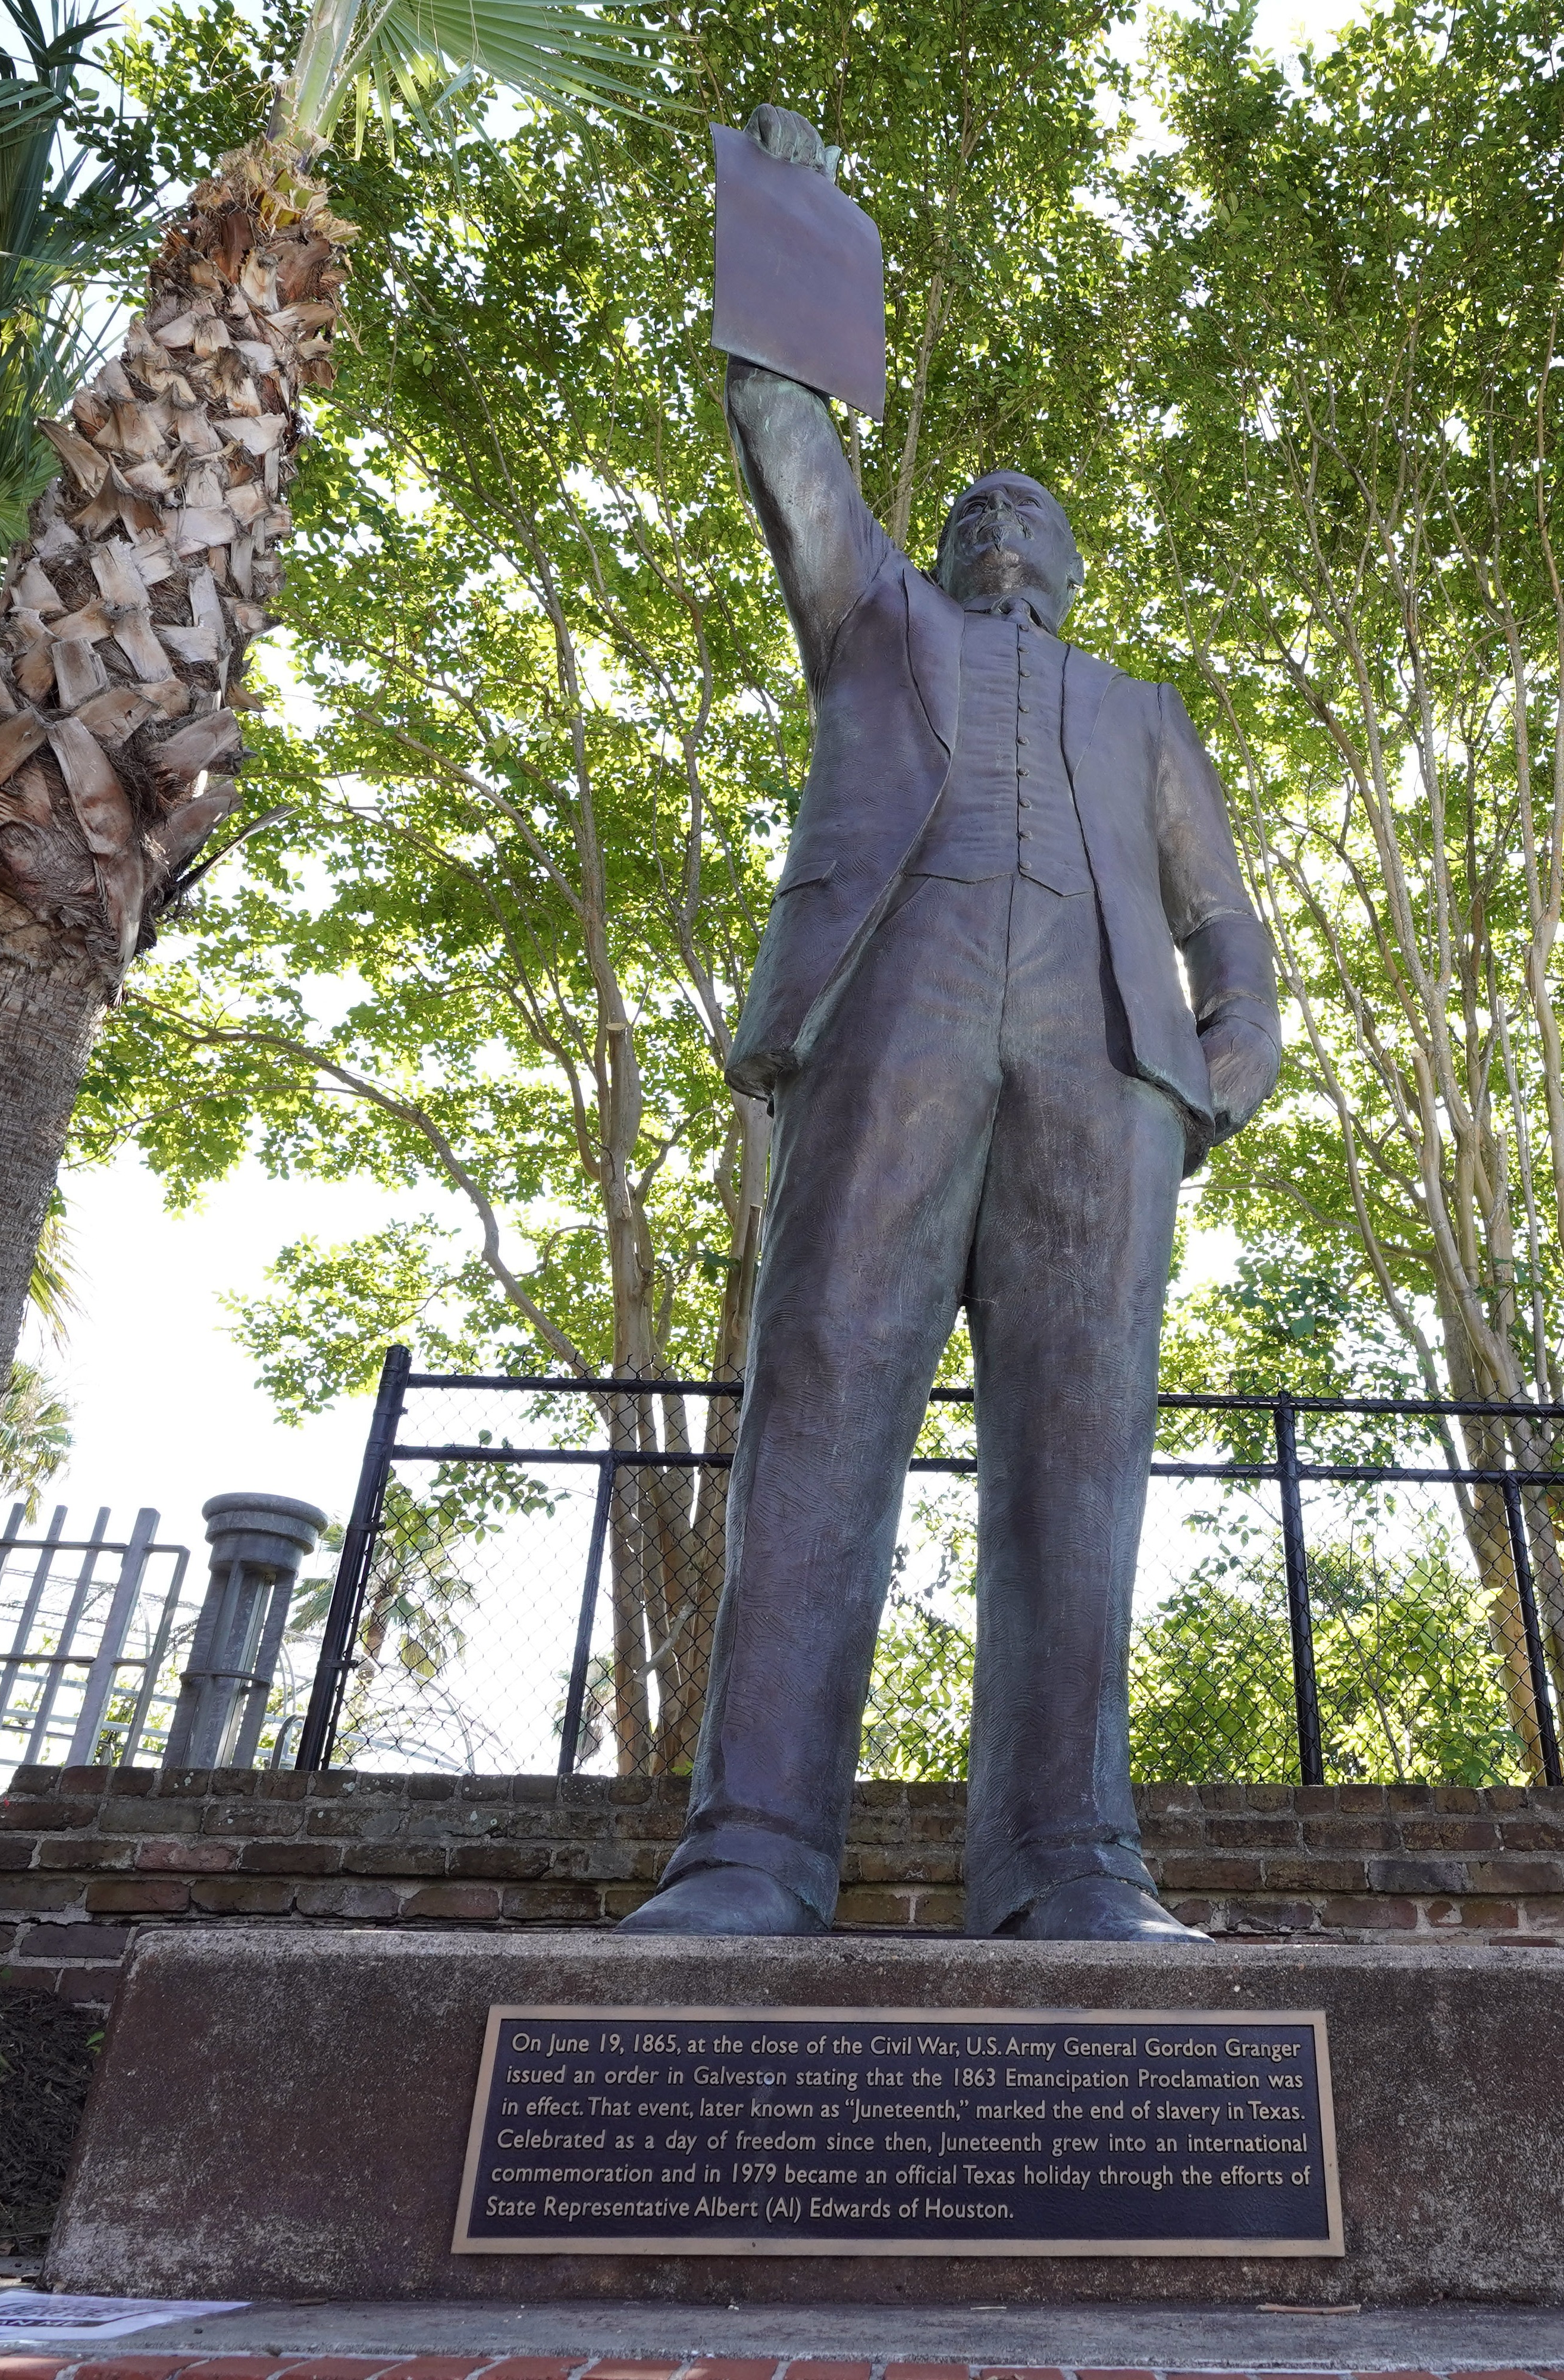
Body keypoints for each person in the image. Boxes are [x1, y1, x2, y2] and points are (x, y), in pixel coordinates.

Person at [620, 106, 1283, 1943]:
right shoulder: (877, 623)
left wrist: (1239, 1040)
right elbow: (789, 447)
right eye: (973, 503)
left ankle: (1073, 1861)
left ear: (1070, 568)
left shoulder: (1144, 711)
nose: (996, 518)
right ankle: (751, 1850)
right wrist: (792, 243)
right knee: (822, 1388)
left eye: (1029, 512)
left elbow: (1224, 913)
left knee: (1085, 1435)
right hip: (894, 1018)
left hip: (1106, 1067)